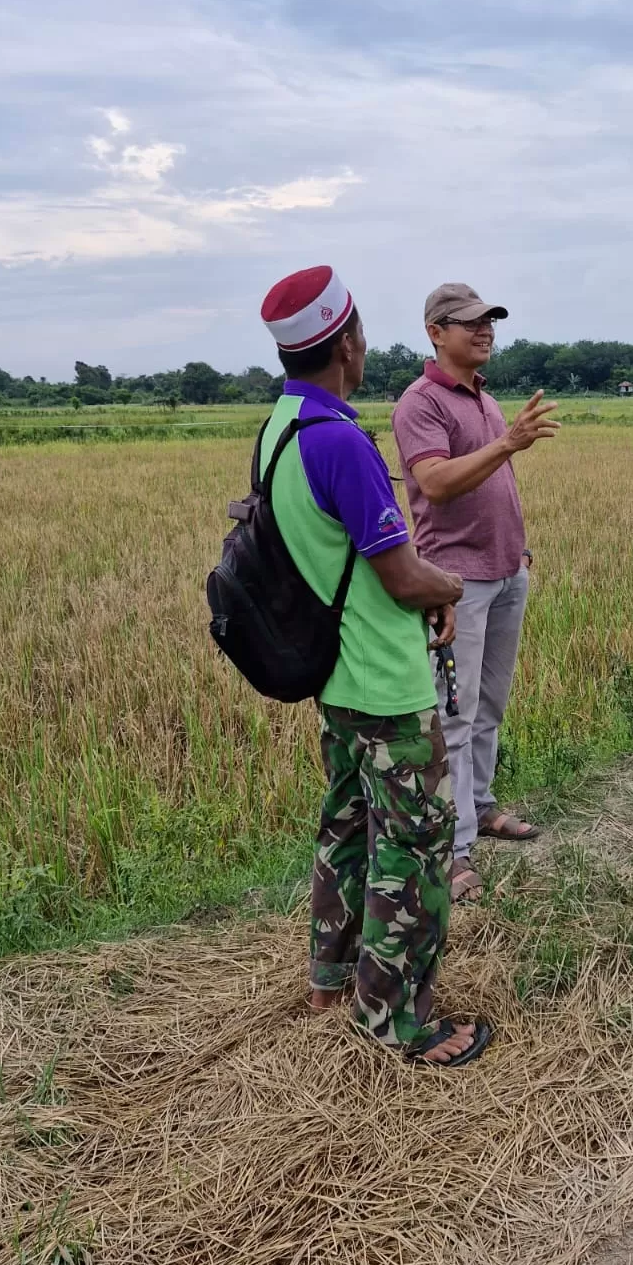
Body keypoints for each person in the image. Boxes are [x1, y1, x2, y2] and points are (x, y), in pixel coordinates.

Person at [259, 264, 491, 1067]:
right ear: (348, 343)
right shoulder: (343, 444)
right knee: (417, 845)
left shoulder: (280, 429)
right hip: (387, 683)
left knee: (348, 825)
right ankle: (399, 1020)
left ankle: (331, 978)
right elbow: (402, 576)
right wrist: (451, 583)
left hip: (333, 680)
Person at [391, 282, 559, 904]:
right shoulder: (421, 403)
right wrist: (508, 443)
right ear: (436, 332)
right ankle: (454, 847)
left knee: (489, 704)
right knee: (454, 717)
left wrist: (519, 551)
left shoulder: (483, 399)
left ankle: (482, 807)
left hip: (507, 571)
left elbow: (492, 482)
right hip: (455, 583)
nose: (484, 330)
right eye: (470, 323)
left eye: (489, 320)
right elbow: (434, 484)